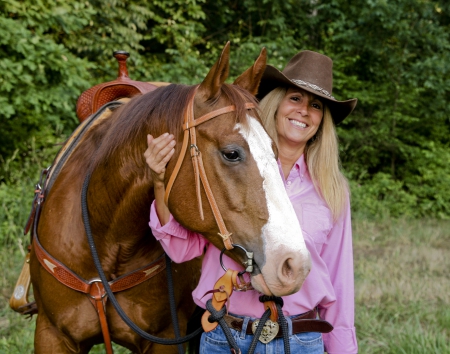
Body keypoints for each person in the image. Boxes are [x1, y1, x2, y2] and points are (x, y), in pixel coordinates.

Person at [144, 50, 358, 354]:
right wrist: (160, 181)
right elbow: (182, 249)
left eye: (316, 105)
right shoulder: (229, 167)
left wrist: (342, 349)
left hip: (299, 339)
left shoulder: (331, 189)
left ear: (322, 119)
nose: (304, 111)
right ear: (277, 102)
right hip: (226, 336)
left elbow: (339, 277)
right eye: (295, 98)